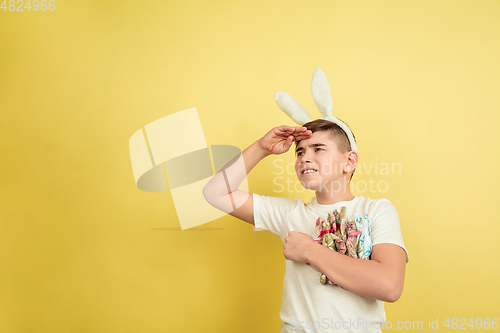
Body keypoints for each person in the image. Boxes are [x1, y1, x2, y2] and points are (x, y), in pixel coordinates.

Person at [203, 69, 408, 333]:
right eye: (300, 152)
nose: (304, 158)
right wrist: (261, 148)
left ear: (349, 161)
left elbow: (389, 285)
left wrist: (310, 251)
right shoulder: (289, 215)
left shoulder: (376, 210)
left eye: (318, 149)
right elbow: (215, 193)